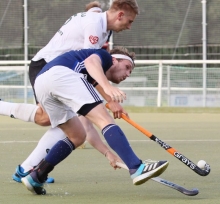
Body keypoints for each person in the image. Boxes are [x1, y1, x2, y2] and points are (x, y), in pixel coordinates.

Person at [0, 0, 139, 183]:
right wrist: (108, 96)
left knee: (63, 123)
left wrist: (107, 153)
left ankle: (27, 169)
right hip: (49, 67)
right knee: (52, 120)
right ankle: (27, 168)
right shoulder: (95, 25)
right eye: (129, 21)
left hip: (63, 73)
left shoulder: (103, 27)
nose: (129, 27)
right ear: (120, 15)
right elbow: (90, 66)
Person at [21, 47, 169, 195]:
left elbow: (88, 128)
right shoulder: (104, 56)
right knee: (105, 119)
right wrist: (108, 88)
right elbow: (92, 62)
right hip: (60, 75)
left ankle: (37, 176)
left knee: (77, 136)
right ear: (114, 60)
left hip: (41, 84)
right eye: (127, 67)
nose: (128, 74)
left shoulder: (85, 78)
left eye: (130, 72)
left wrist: (107, 153)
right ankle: (137, 167)